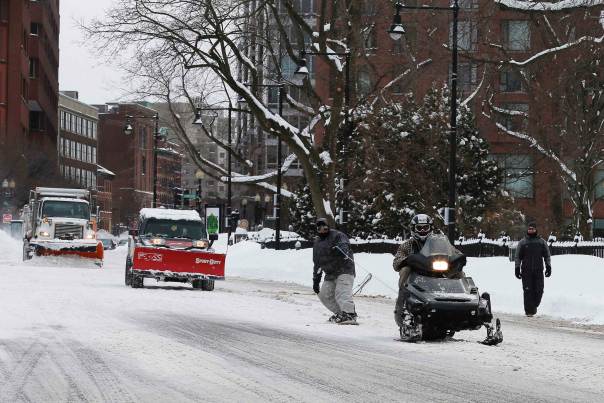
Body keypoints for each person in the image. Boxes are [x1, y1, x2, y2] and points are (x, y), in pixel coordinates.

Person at [312, 218, 357, 325]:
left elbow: (344, 245)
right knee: (324, 295)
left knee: (341, 292)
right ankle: (341, 313)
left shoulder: (337, 235)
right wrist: (316, 280)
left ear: (328, 227)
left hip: (344, 269)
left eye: (325, 227)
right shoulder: (317, 243)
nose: (322, 229)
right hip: (330, 273)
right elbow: (317, 263)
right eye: (319, 227)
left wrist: (341, 250)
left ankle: (349, 313)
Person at [515, 222, 552, 317]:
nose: (531, 230)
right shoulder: (522, 242)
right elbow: (518, 257)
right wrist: (517, 268)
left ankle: (534, 305)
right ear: (527, 230)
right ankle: (529, 311)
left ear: (536, 230)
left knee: (539, 290)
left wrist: (548, 266)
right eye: (529, 229)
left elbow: (547, 255)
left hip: (538, 270)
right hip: (526, 271)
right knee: (527, 291)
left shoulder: (541, 242)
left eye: (533, 229)